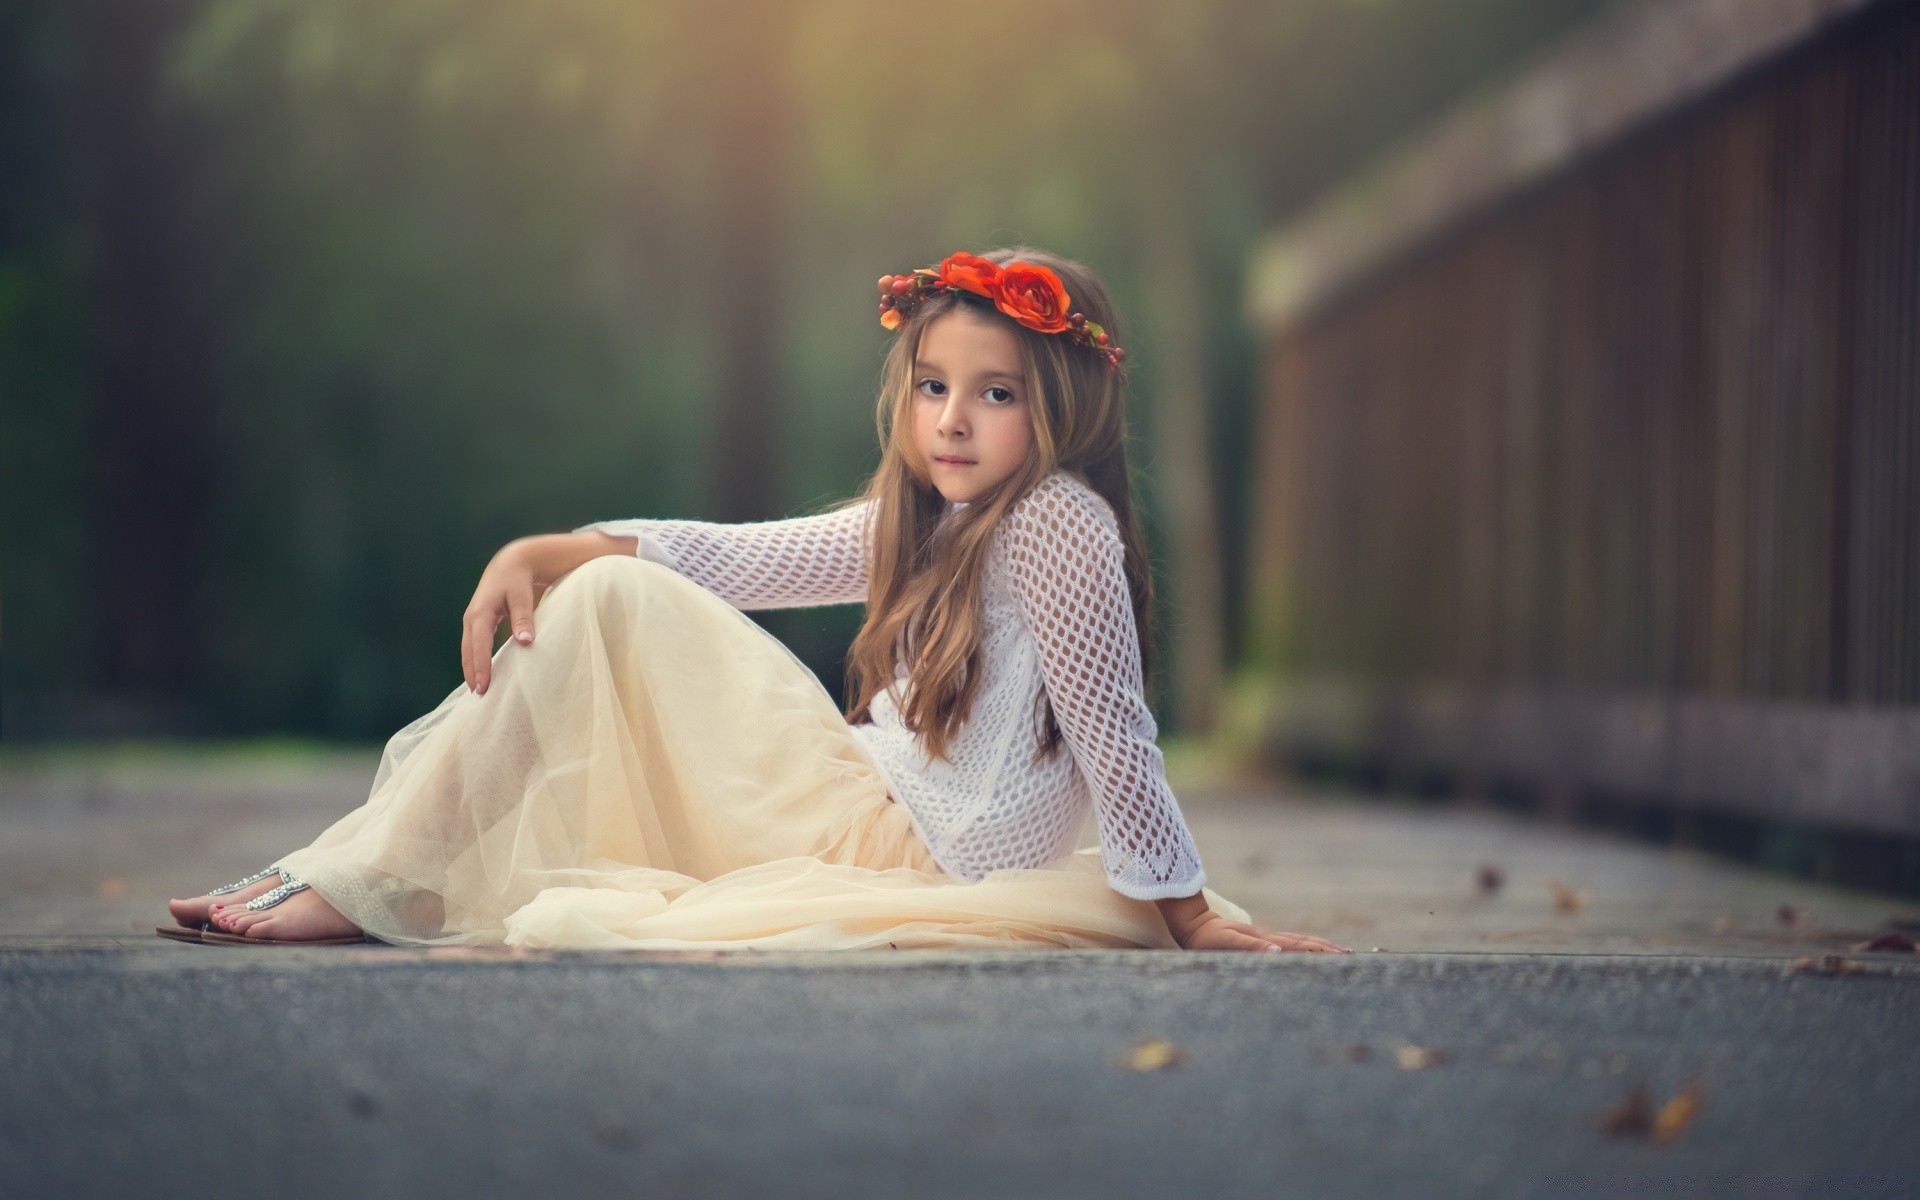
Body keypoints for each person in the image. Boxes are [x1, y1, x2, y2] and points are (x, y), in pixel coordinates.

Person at [159, 246, 1354, 955]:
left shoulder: (1060, 524)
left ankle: (363, 881)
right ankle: (360, 872)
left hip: (888, 845)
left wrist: (1189, 913)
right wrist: (557, 543)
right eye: (934, 384)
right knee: (613, 592)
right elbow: (739, 559)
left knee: (615, 603)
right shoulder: (931, 518)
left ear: (1066, 407)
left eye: (995, 394)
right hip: (856, 811)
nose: (950, 418)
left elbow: (1115, 731)